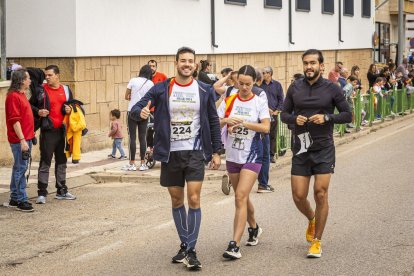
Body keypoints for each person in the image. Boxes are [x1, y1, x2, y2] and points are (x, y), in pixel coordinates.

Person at [130, 46, 221, 270]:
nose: (187, 64)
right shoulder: (162, 89)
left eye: (191, 61)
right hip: (170, 153)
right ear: (176, 63)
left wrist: (217, 151)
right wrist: (139, 112)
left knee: (194, 198)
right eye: (183, 61)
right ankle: (184, 244)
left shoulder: (203, 89)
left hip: (195, 151)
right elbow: (136, 108)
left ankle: (191, 250)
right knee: (176, 200)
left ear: (196, 65)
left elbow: (213, 120)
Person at [281, 49, 352, 258]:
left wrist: (327, 118)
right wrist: (295, 119)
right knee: (298, 195)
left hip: (323, 147)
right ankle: (312, 218)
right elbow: (284, 114)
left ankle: (317, 241)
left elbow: (348, 114)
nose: (308, 67)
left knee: (320, 193)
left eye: (313, 63)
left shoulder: (332, 88)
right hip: (301, 148)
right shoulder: (295, 87)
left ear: (321, 66)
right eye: (306, 63)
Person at [217, 65, 270, 259]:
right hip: (233, 155)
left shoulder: (259, 101)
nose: (245, 87)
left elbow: (265, 127)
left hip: (253, 154)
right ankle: (254, 227)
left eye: (248, 84)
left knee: (239, 196)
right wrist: (227, 122)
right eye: (241, 83)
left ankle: (234, 245)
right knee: (243, 197)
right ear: (236, 81)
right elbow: (216, 120)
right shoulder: (230, 99)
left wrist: (244, 123)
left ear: (255, 82)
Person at [35, 65, 76, 204]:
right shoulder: (41, 90)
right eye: (45, 75)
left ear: (57, 76)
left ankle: (61, 190)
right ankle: (42, 193)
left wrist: (70, 110)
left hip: (63, 131)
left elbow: (74, 107)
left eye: (49, 75)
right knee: (45, 161)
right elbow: (30, 106)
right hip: (48, 131)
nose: (46, 77)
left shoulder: (66, 89)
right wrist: (38, 112)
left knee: (62, 162)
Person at [5, 68, 35, 212]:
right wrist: (22, 140)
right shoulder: (13, 97)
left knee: (19, 167)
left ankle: (15, 198)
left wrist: (30, 137)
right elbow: (15, 121)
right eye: (28, 78)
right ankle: (21, 200)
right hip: (19, 140)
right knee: (21, 169)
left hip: (26, 138)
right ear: (22, 80)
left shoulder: (21, 95)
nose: (30, 80)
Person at [123, 65, 154, 171]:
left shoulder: (133, 80)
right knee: (143, 137)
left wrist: (133, 98)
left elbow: (126, 96)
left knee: (132, 137)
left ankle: (131, 163)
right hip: (144, 111)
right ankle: (142, 163)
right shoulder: (150, 83)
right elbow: (152, 98)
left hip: (132, 111)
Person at [260, 66, 284, 165]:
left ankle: (271, 155)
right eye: (262, 73)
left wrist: (277, 110)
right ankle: (263, 155)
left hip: (273, 114)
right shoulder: (260, 85)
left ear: (270, 74)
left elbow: (281, 99)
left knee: (273, 135)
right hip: (263, 114)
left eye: (264, 73)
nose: (263, 74)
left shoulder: (277, 85)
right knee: (263, 135)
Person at [146, 60, 167, 153]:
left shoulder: (162, 76)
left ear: (156, 67)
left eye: (153, 66)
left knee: (161, 128)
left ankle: (160, 146)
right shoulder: (145, 78)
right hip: (149, 109)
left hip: (160, 108)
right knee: (150, 128)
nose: (152, 68)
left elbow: (168, 88)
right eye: (150, 66)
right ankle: (149, 146)